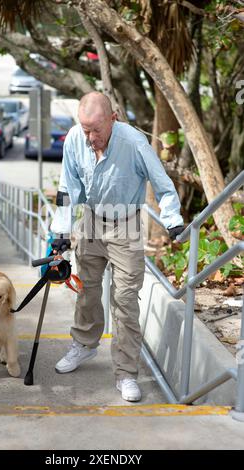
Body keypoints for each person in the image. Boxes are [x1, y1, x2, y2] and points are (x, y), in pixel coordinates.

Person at [50, 91, 184, 402]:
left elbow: (162, 184)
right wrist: (61, 230)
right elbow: (66, 188)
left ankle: (125, 373)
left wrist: (172, 218)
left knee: (124, 300)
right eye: (85, 129)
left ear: (114, 118)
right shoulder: (75, 139)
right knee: (86, 288)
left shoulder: (134, 142)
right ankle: (84, 344)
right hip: (93, 219)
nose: (91, 137)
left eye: (96, 129)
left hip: (127, 223)